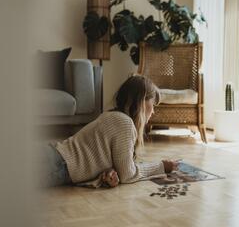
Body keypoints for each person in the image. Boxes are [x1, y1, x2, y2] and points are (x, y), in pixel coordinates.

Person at [43, 74, 179, 188]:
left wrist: (109, 174)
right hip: (54, 163)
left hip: (54, 159)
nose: (153, 111)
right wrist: (161, 166)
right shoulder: (125, 123)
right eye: (153, 104)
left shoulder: (112, 116)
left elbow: (104, 162)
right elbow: (128, 175)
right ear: (141, 102)